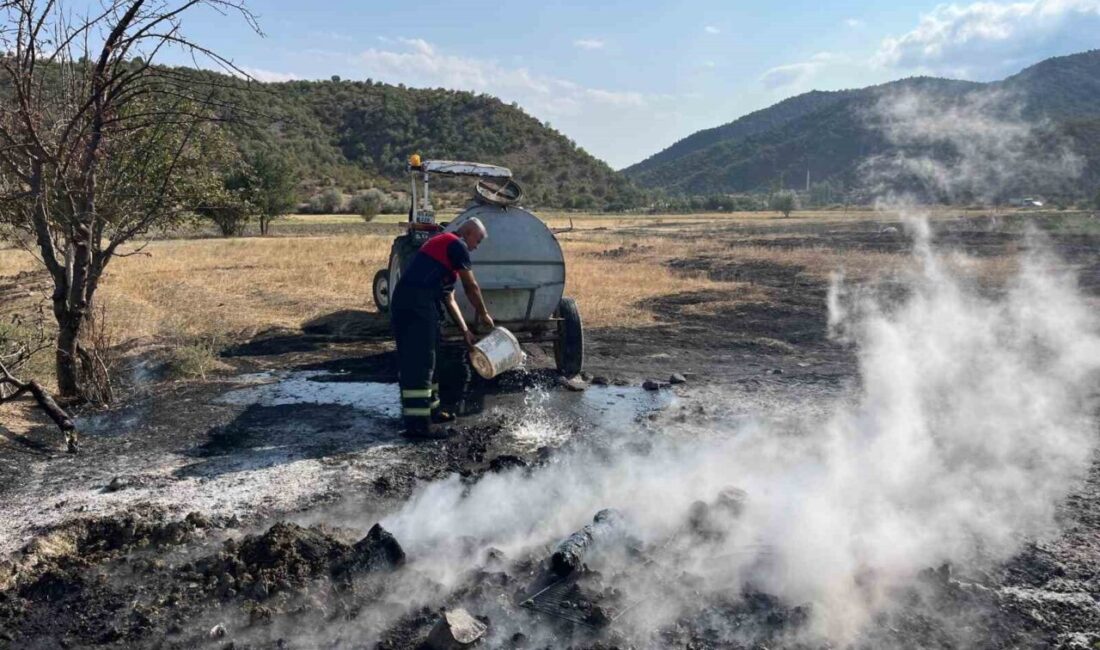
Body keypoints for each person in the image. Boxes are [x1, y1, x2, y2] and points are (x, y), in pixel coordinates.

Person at [390, 218, 494, 438]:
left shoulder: (446, 250)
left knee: (432, 357)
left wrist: (465, 330)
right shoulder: (455, 244)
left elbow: (449, 298)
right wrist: (483, 313)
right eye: (479, 240)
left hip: (422, 304)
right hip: (414, 304)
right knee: (420, 360)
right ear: (468, 233)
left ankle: (432, 411)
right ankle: (417, 426)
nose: (477, 246)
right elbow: (471, 286)